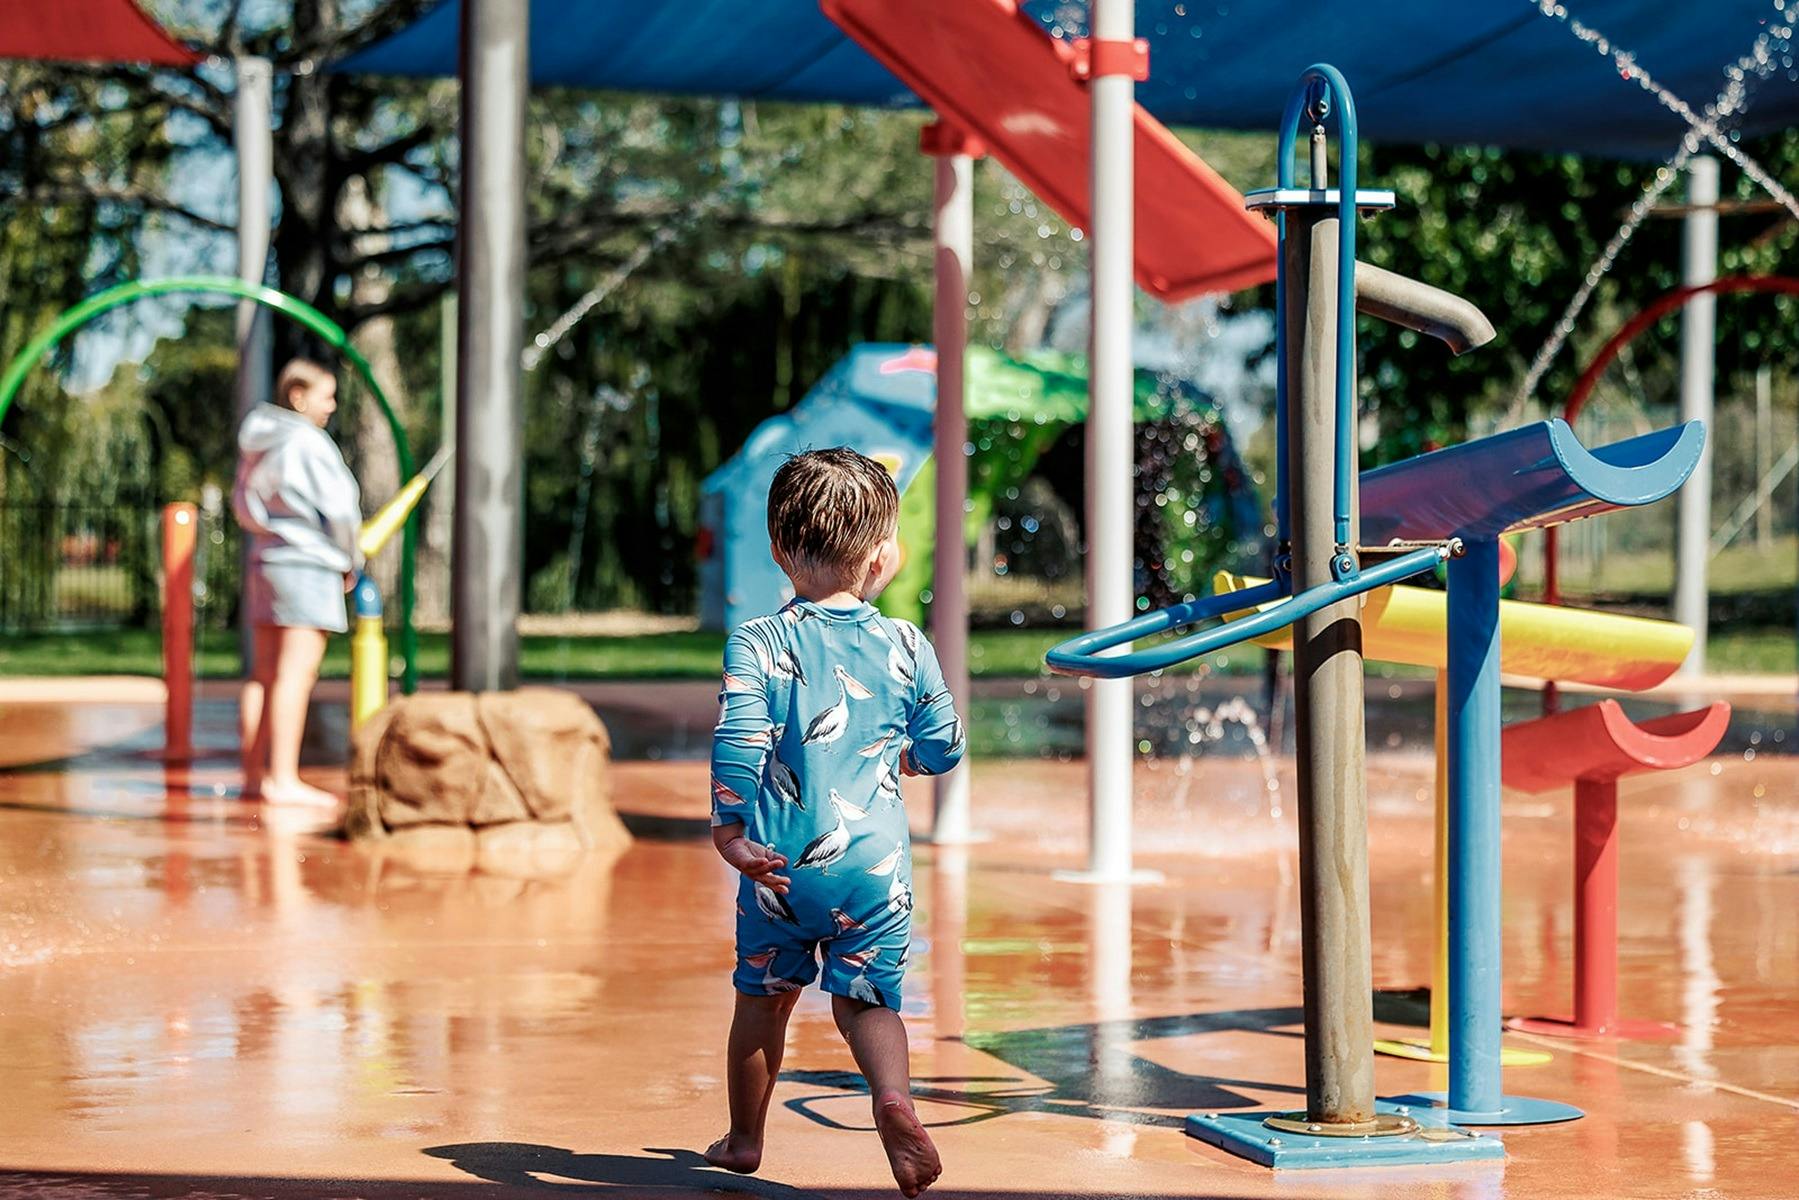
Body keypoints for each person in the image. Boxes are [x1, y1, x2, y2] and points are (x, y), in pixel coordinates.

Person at [704, 448, 964, 1197]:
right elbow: (944, 744)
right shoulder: (905, 643)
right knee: (867, 1000)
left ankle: (745, 1139)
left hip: (779, 861)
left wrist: (729, 832)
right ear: (883, 557)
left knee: (763, 997)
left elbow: (740, 740)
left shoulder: (757, 641)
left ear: (780, 551)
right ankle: (891, 1099)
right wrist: (901, 764)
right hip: (874, 864)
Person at [231, 357, 364, 808]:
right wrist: (351, 558)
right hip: (308, 563)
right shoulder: (310, 442)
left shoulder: (259, 443)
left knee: (263, 675)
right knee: (296, 674)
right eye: (327, 395)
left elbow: (242, 503)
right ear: (298, 395)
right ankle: (284, 779)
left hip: (265, 561)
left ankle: (254, 777)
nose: (332, 406)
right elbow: (341, 508)